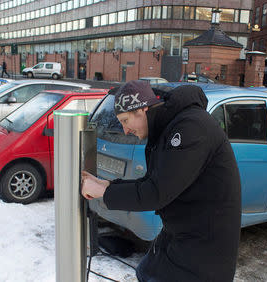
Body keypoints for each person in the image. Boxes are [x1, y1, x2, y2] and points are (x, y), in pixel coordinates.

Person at [82, 80, 242, 281]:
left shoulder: (190, 128)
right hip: (181, 236)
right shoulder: (168, 128)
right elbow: (152, 181)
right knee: (145, 273)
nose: (125, 130)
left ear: (142, 111)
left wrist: (105, 193)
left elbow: (156, 192)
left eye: (124, 120)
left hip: (204, 252)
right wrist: (107, 185)